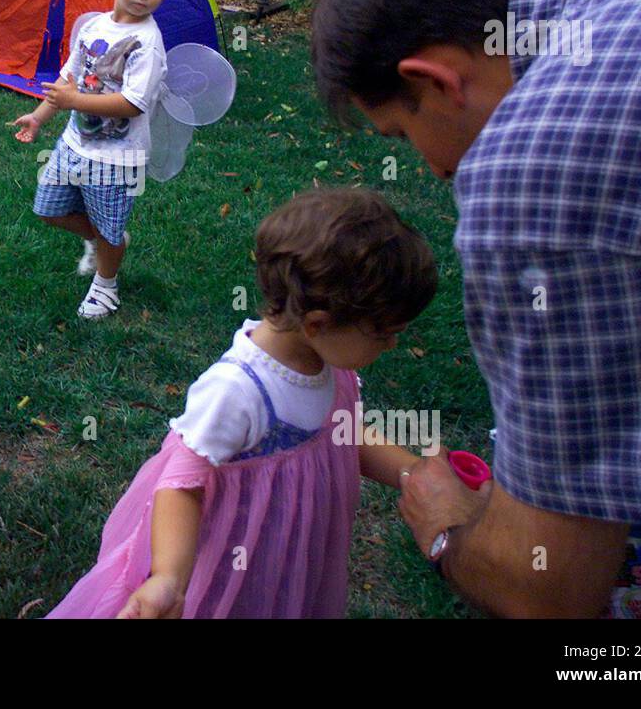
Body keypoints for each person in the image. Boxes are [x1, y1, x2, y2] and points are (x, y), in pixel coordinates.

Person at [311, 0, 641, 616]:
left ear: (439, 82)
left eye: (400, 133)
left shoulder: (535, 164)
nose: (431, 171)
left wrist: (446, 523)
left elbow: (549, 590)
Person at [47, 188, 438, 618]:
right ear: (317, 323)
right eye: (383, 332)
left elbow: (342, 433)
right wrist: (168, 578)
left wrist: (413, 472)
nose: (394, 343)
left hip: (291, 554)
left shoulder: (329, 361)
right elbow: (181, 484)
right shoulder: (239, 390)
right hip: (232, 566)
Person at [10, 0, 171, 319]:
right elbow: (68, 80)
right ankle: (99, 242)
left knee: (111, 229)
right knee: (48, 209)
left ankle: (106, 286)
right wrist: (39, 116)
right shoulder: (95, 26)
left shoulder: (147, 43)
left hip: (117, 159)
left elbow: (132, 103)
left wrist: (73, 100)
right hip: (74, 143)